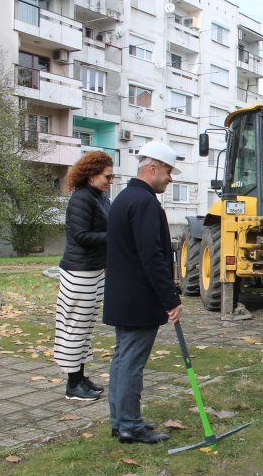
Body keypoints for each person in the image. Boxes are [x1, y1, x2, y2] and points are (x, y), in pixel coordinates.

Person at [103, 141, 183, 444]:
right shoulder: (145, 202)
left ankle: (120, 420)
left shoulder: (124, 197)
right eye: (168, 172)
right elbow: (152, 257)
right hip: (138, 300)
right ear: (153, 169)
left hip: (123, 296)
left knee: (122, 360)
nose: (170, 179)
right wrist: (171, 299)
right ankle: (130, 425)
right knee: (131, 363)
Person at [54, 150, 114, 401]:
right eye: (107, 177)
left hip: (94, 270)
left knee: (86, 327)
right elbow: (81, 236)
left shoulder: (99, 197)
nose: (110, 182)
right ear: (91, 175)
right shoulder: (81, 199)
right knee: (73, 327)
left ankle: (80, 376)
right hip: (79, 272)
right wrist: (117, 237)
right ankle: (72, 384)